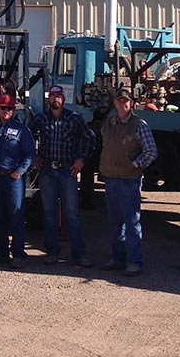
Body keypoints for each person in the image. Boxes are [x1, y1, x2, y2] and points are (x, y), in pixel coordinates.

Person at [29, 85, 96, 267]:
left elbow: (91, 137)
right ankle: (51, 252)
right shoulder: (41, 118)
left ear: (63, 99)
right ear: (48, 99)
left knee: (72, 214)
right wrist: (33, 156)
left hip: (68, 171)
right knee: (49, 214)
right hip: (47, 171)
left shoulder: (74, 118)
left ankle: (78, 254)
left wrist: (82, 160)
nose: (55, 99)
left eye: (58, 96)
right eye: (52, 96)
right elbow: (27, 135)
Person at [99, 88, 158, 276]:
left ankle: (134, 261)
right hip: (111, 178)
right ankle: (117, 258)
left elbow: (151, 151)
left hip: (129, 181)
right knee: (115, 222)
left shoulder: (139, 124)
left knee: (132, 222)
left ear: (131, 103)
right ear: (115, 104)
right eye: (119, 101)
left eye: (126, 101)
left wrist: (134, 165)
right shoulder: (109, 123)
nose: (123, 104)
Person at [0, 91, 35, 269]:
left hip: (13, 180)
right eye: (3, 107)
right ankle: (1, 252)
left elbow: (29, 154)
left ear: (13, 110)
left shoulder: (21, 130)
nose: (6, 111)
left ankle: (18, 254)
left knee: (16, 216)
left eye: (9, 108)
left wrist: (19, 172)